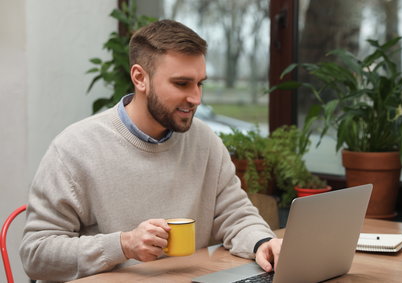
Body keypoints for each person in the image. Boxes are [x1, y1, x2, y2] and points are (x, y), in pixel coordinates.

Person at [19, 19, 282, 282]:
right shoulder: (74, 149)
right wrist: (123, 245)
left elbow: (236, 215)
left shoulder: (205, 141)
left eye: (200, 83)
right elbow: (36, 253)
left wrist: (263, 242)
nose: (197, 98)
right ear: (139, 78)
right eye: (182, 84)